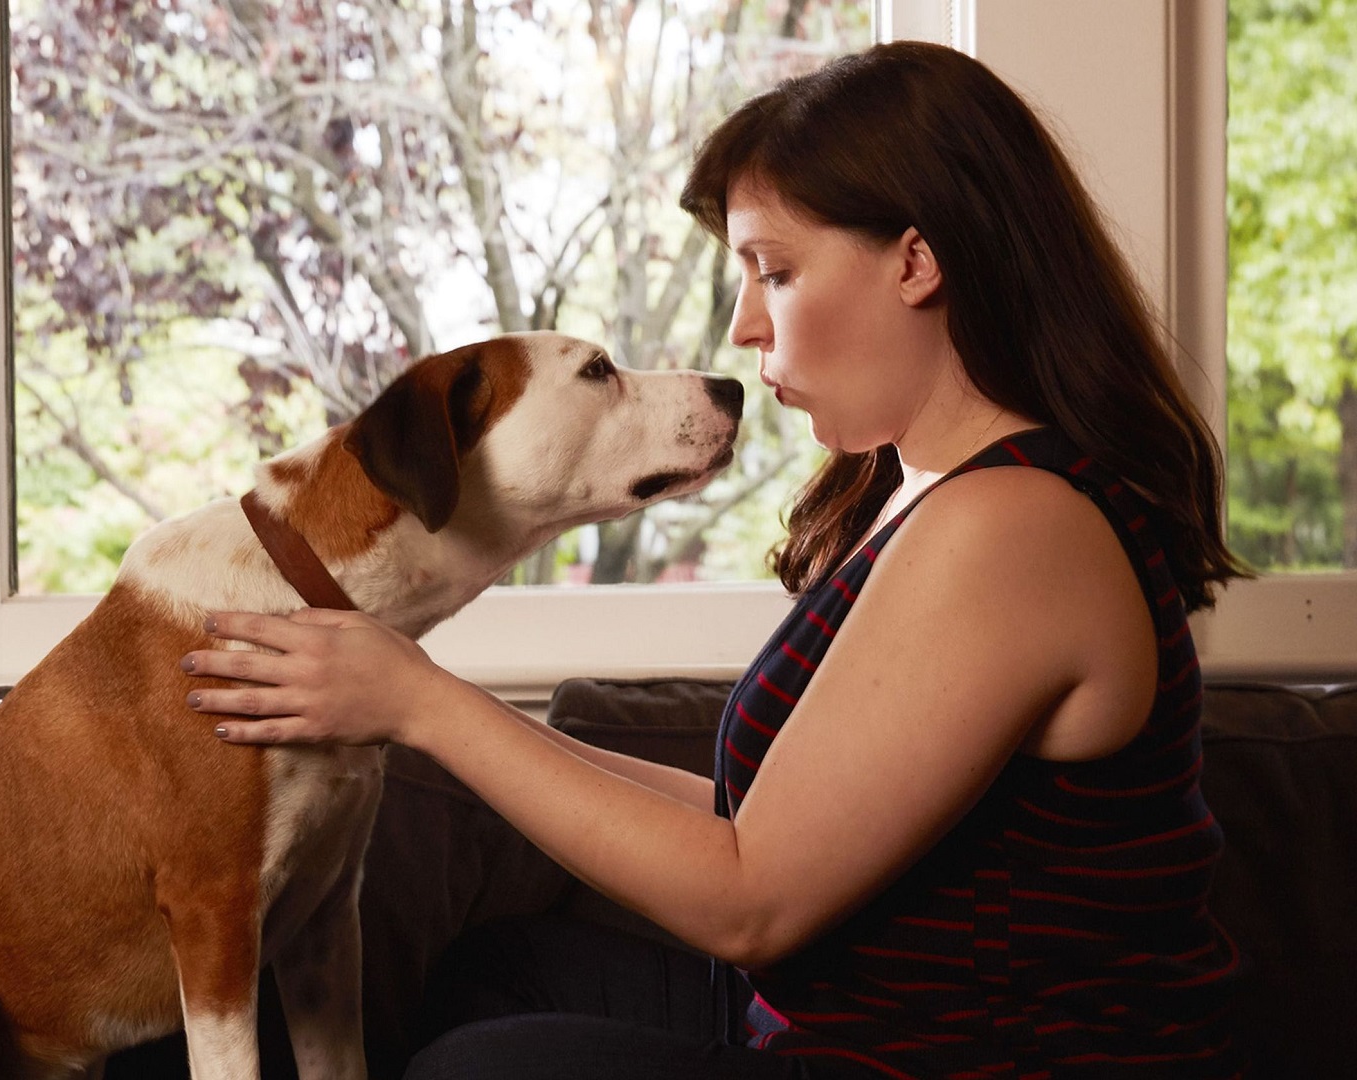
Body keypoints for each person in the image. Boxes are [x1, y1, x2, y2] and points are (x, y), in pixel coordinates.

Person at [178, 40, 1250, 1080]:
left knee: (482, 1065)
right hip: (828, 1025)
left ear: (916, 262)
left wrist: (418, 706)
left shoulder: (1014, 527)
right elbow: (758, 827)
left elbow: (750, 901)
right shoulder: (927, 492)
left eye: (771, 271)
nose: (741, 327)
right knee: (494, 971)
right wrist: (426, 701)